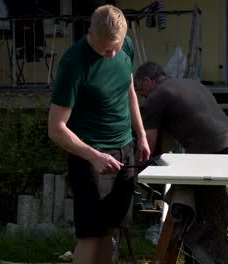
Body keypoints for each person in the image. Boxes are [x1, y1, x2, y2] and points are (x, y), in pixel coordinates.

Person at [48, 5, 150, 264]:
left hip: (124, 149)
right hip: (89, 155)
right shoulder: (74, 63)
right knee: (91, 233)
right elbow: (56, 129)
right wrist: (93, 156)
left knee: (111, 228)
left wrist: (141, 134)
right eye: (106, 49)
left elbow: (129, 92)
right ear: (90, 33)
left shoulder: (125, 45)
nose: (113, 53)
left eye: (116, 47)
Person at [134, 61, 228, 264]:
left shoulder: (156, 97)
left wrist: (138, 173)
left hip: (210, 150)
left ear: (148, 80)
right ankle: (201, 257)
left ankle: (203, 258)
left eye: (140, 90)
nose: (141, 96)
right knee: (210, 208)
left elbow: (148, 144)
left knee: (199, 211)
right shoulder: (190, 84)